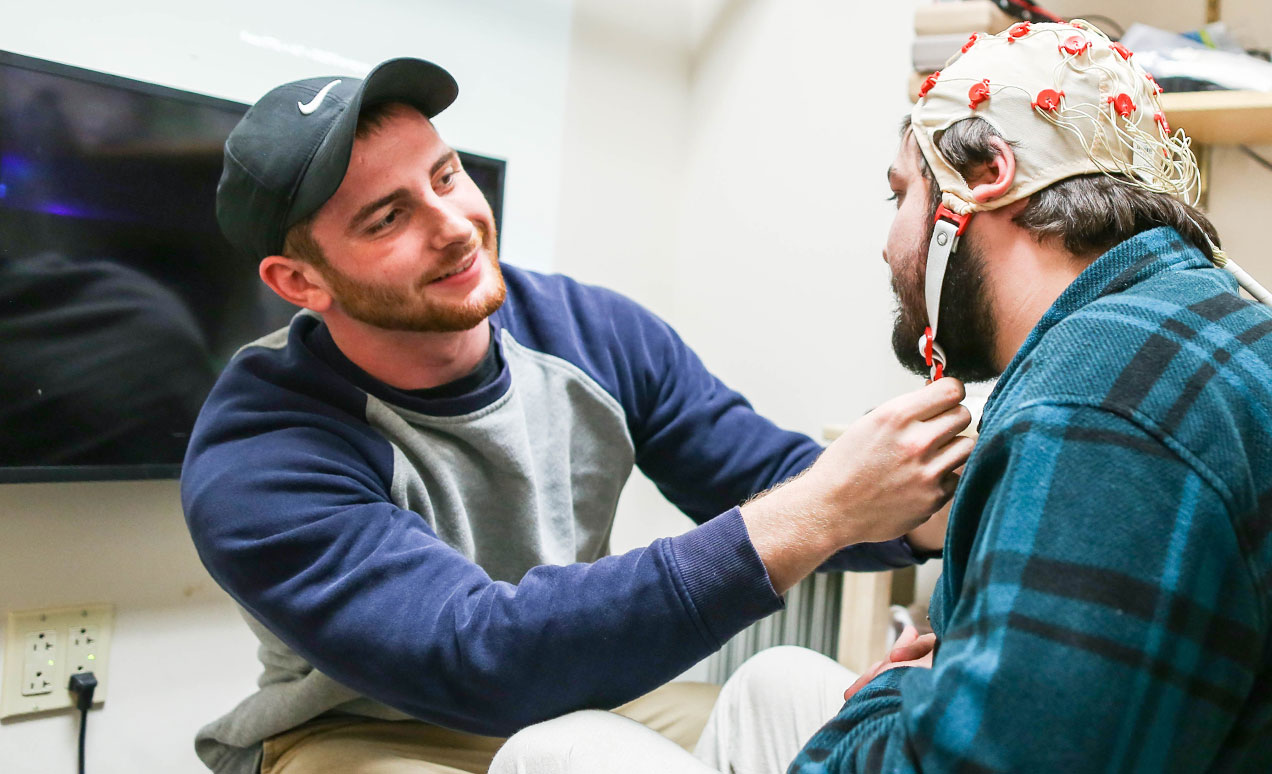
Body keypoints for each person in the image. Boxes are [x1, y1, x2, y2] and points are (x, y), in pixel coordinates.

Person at [493, 20, 1272, 774]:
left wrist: (882, 701)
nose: (886, 241)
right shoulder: (1179, 314)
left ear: (987, 178)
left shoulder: (1100, 405)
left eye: (898, 193)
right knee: (772, 680)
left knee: (551, 750)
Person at [180, 58, 973, 774]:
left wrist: (935, 510)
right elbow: (478, 654)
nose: (454, 224)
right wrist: (823, 509)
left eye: (447, 176)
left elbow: (761, 475)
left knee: (808, 704)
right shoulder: (259, 454)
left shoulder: (590, 333)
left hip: (565, 695)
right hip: (362, 729)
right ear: (298, 282)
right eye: (388, 218)